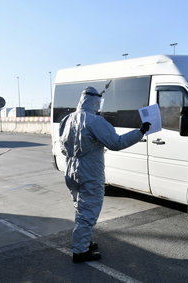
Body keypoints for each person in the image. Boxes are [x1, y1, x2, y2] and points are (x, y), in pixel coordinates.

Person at [59, 87, 151, 263]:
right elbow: (117, 143)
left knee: (81, 209)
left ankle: (83, 241)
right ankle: (80, 251)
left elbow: (63, 147)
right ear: (95, 101)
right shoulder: (94, 121)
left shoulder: (67, 119)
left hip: (71, 170)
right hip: (89, 172)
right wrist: (140, 132)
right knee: (88, 212)